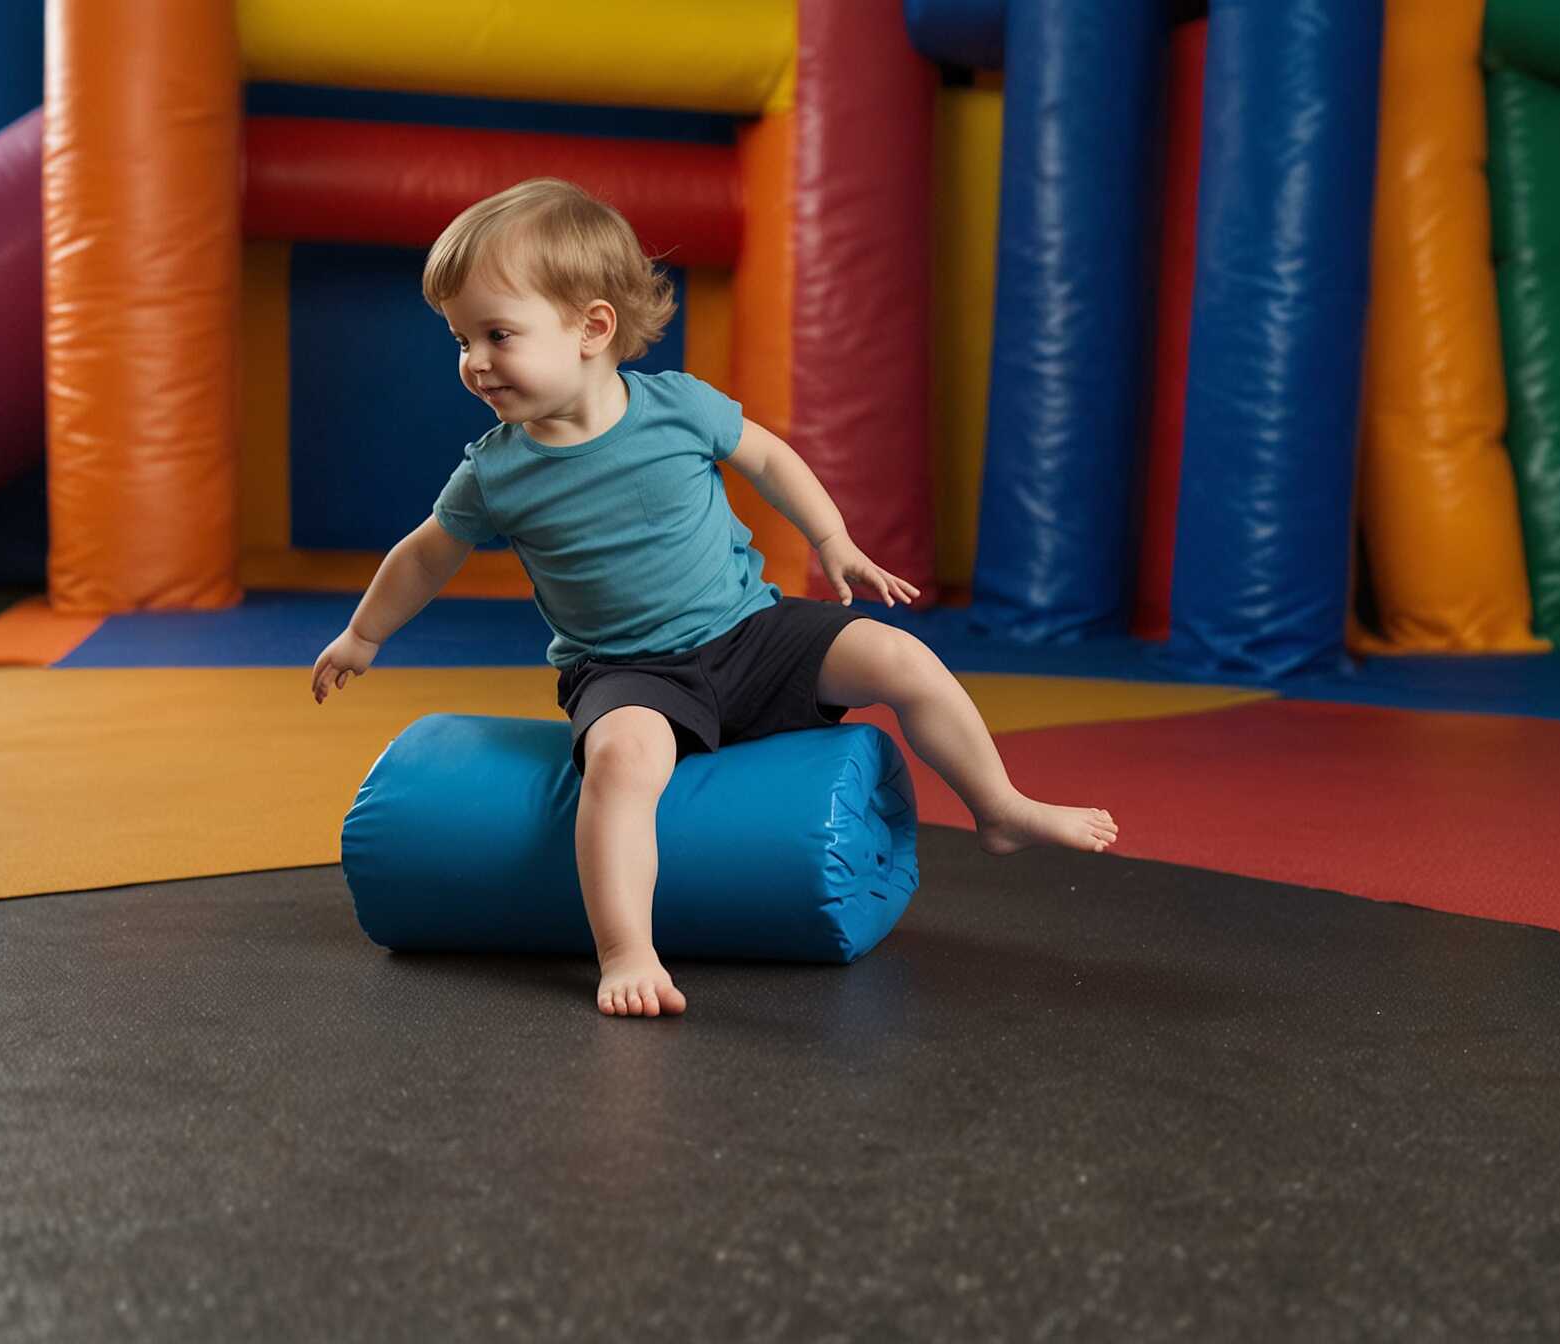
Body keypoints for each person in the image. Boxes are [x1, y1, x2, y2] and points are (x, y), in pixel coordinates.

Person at [312, 178, 1117, 1019]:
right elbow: (424, 556)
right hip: (628, 671)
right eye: (461, 339)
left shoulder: (677, 407)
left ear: (592, 328)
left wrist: (832, 539)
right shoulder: (495, 470)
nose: (474, 361)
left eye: (497, 334)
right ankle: (626, 949)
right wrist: (363, 636)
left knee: (898, 655)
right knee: (623, 762)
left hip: (750, 631)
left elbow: (769, 459)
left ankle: (1000, 808)